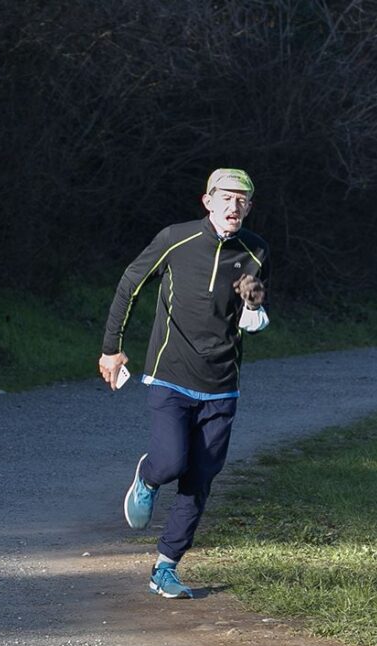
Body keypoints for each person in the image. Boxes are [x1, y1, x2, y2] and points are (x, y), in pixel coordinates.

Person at [98, 168, 270, 599]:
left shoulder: (256, 249)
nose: (234, 207)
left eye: (242, 201)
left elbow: (250, 303)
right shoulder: (175, 239)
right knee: (172, 463)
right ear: (207, 201)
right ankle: (148, 476)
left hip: (222, 384)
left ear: (249, 207)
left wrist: (254, 305)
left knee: (201, 478)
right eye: (225, 198)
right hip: (170, 375)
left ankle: (166, 566)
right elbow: (129, 285)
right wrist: (111, 348)